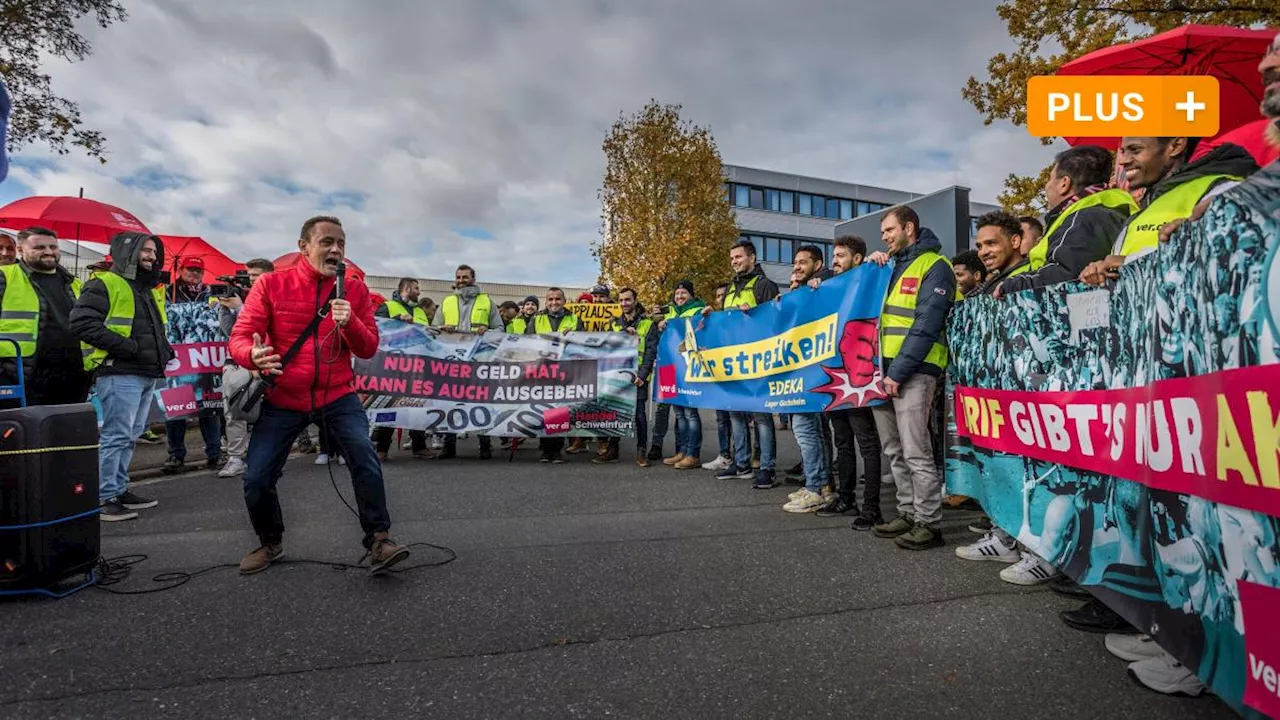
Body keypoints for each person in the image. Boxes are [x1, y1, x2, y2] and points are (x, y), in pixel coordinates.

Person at [229, 215, 409, 575]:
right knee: (258, 478)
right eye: (327, 242)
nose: (336, 249)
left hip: (337, 395)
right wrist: (252, 355)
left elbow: (369, 347)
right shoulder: (270, 285)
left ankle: (379, 539)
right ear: (304, 247)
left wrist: (350, 322)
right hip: (284, 397)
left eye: (341, 243)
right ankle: (270, 542)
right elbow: (241, 335)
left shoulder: (354, 291)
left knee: (364, 458)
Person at [864, 206, 955, 550]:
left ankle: (929, 523)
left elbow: (927, 323)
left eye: (889, 230)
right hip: (883, 372)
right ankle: (907, 512)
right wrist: (870, 269)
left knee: (917, 452)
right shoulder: (890, 267)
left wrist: (897, 373)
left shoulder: (935, 266)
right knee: (894, 449)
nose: (884, 237)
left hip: (914, 372)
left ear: (909, 228)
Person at [71, 232, 172, 522]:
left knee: (129, 436)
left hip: (143, 371)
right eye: (146, 251)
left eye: (154, 251)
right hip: (119, 371)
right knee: (116, 436)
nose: (152, 256)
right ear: (128, 252)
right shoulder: (104, 283)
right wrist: (128, 348)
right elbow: (82, 324)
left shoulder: (145, 288)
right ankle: (104, 498)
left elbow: (152, 329)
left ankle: (118, 490)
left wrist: (165, 352)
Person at [1079, 136, 1257, 285]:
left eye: (1135, 150)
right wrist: (1100, 273)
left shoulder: (1222, 189)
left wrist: (1131, 264)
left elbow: (1231, 263)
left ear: (1176, 146)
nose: (1123, 161)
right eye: (1123, 152)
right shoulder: (1143, 210)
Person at [803, 235, 886, 530]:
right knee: (842, 442)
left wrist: (878, 260)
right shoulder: (827, 286)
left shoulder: (870, 277)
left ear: (858, 258)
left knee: (866, 442)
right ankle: (846, 497)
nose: (835, 260)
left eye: (841, 255)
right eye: (834, 255)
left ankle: (872, 507)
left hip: (859, 378)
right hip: (833, 379)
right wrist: (809, 288)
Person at [997, 145, 1138, 296]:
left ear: (1064, 183)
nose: (1047, 186)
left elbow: (1064, 274)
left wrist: (1010, 285)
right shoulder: (1109, 209)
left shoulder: (1085, 218)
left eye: (1049, 179)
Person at [711, 239, 781, 488]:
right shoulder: (730, 288)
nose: (734, 262)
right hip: (732, 361)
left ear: (752, 258)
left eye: (738, 257)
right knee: (736, 415)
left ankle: (766, 468)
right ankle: (741, 464)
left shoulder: (765, 286)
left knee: (761, 418)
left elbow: (774, 324)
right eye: (732, 259)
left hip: (756, 361)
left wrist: (753, 315)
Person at [0, 227, 91, 407]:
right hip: (22, 377)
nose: (48, 252)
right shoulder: (5, 277)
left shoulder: (75, 283)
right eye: (39, 247)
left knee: (65, 432)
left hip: (73, 377)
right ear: (20, 250)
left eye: (53, 247)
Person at [779, 246, 835, 512]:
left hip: (811, 374)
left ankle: (816, 488)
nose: (798, 267)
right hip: (800, 372)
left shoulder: (822, 286)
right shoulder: (799, 290)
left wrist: (815, 288)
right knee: (810, 432)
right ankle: (821, 484)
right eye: (795, 263)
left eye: (803, 262)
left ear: (818, 264)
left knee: (806, 431)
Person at [162, 256, 223, 474]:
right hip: (177, 359)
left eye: (198, 270)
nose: (194, 273)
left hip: (205, 358)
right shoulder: (167, 292)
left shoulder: (211, 292)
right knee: (176, 409)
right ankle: (176, 455)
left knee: (209, 408)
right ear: (180, 269)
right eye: (190, 269)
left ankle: (215, 453)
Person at [433, 264, 500, 460]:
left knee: (481, 402)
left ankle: (485, 444)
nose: (461, 280)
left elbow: (500, 329)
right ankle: (449, 445)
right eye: (458, 277)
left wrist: (486, 332)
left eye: (465, 277)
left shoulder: (487, 302)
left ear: (473, 279)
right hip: (452, 361)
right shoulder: (446, 302)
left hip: (478, 360)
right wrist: (441, 328)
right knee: (451, 403)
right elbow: (433, 330)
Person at [215, 257, 274, 478]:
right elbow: (231, 331)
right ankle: (235, 458)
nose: (250, 280)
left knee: (264, 413)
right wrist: (224, 307)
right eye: (248, 276)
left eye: (255, 276)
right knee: (234, 411)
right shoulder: (242, 296)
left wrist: (241, 308)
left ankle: (263, 456)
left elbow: (260, 330)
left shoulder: (273, 297)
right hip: (236, 362)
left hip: (261, 362)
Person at [370, 277, 434, 461]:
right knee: (390, 407)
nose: (419, 292)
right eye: (416, 288)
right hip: (394, 368)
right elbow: (377, 328)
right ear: (406, 288)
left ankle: (419, 446)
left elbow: (427, 335)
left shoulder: (419, 311)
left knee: (417, 408)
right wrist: (396, 320)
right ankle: (382, 449)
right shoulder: (388, 307)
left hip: (417, 367)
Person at [524, 287, 581, 464]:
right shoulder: (536, 319)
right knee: (543, 409)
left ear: (564, 301)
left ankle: (556, 450)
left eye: (557, 299)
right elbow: (527, 342)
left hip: (565, 371)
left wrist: (573, 336)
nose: (554, 302)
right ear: (546, 301)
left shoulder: (574, 319)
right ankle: (545, 450)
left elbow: (582, 344)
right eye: (550, 299)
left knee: (559, 411)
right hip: (543, 371)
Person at [602, 287, 658, 466]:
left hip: (638, 377)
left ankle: (642, 452)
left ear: (635, 300)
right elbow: (608, 349)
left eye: (627, 300)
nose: (624, 303)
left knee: (639, 416)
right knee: (615, 413)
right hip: (617, 376)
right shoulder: (614, 323)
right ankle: (613, 449)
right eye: (621, 300)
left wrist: (642, 376)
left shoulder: (647, 324)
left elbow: (650, 352)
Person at [657, 281, 706, 470]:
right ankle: (682, 451)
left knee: (690, 413)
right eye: (677, 293)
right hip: (670, 367)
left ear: (691, 295)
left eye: (683, 293)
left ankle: (693, 454)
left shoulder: (698, 310)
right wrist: (662, 324)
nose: (679, 297)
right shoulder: (671, 312)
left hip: (687, 367)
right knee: (678, 413)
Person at [701, 283, 736, 471]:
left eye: (724, 295)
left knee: (739, 418)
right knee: (722, 418)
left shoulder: (738, 319)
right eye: (718, 296)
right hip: (719, 376)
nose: (720, 299)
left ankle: (742, 457)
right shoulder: (712, 320)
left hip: (736, 375)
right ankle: (724, 455)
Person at [971, 211, 1029, 295]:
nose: (983, 252)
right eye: (979, 246)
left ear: (1015, 241)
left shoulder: (1027, 280)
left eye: (991, 243)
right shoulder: (996, 280)